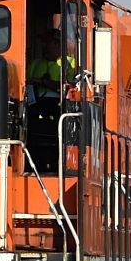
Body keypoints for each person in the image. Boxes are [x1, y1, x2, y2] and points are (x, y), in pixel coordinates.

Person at [26, 30, 75, 171]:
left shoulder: (69, 64)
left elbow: (68, 87)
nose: (43, 46)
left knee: (57, 142)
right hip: (35, 110)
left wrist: (43, 82)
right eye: (42, 42)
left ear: (58, 44)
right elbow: (26, 83)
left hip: (58, 110)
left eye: (47, 42)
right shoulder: (35, 64)